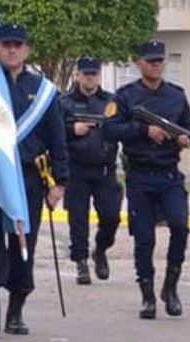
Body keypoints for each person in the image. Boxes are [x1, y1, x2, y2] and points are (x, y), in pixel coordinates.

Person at [0, 24, 68, 334]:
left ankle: (16, 310)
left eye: (18, 45)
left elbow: (58, 139)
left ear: (27, 50)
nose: (12, 50)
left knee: (22, 241)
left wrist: (59, 182)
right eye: (6, 45)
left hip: (27, 179)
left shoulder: (42, 91)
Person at [105, 40, 190, 319]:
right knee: (144, 239)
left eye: (159, 60)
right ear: (138, 63)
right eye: (150, 60)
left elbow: (189, 130)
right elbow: (109, 129)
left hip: (169, 174)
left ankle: (171, 286)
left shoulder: (176, 96)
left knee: (180, 226)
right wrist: (144, 131)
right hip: (141, 175)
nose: (156, 65)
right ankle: (147, 295)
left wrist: (183, 138)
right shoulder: (125, 96)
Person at [59, 56, 120, 285]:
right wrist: (72, 129)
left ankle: (101, 250)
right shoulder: (65, 102)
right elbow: (55, 132)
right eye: (86, 74)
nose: (90, 78)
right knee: (78, 219)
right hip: (76, 168)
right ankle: (81, 262)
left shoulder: (110, 102)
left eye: (94, 73)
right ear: (78, 75)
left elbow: (121, 128)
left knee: (111, 217)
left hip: (104, 168)